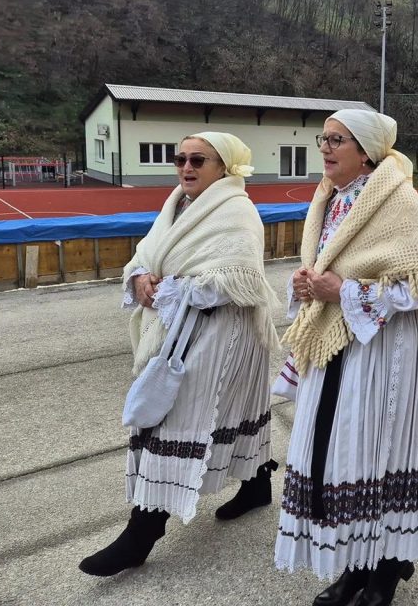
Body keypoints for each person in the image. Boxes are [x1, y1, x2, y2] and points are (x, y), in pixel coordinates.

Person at [79, 132, 280, 577]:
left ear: (224, 167)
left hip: (223, 332)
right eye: (180, 159)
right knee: (232, 413)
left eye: (198, 160)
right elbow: (146, 255)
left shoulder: (237, 210)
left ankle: (142, 533)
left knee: (175, 420)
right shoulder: (177, 204)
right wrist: (140, 279)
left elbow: (235, 281)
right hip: (183, 328)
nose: (186, 167)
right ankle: (257, 485)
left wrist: (167, 286)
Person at [274, 110, 418, 606]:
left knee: (382, 453)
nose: (325, 148)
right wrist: (307, 284)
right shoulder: (328, 199)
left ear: (366, 151)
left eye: (337, 140)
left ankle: (386, 569)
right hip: (337, 346)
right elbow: (325, 267)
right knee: (341, 456)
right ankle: (355, 563)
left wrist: (345, 291)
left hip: (384, 352)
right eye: (324, 139)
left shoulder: (399, 200)